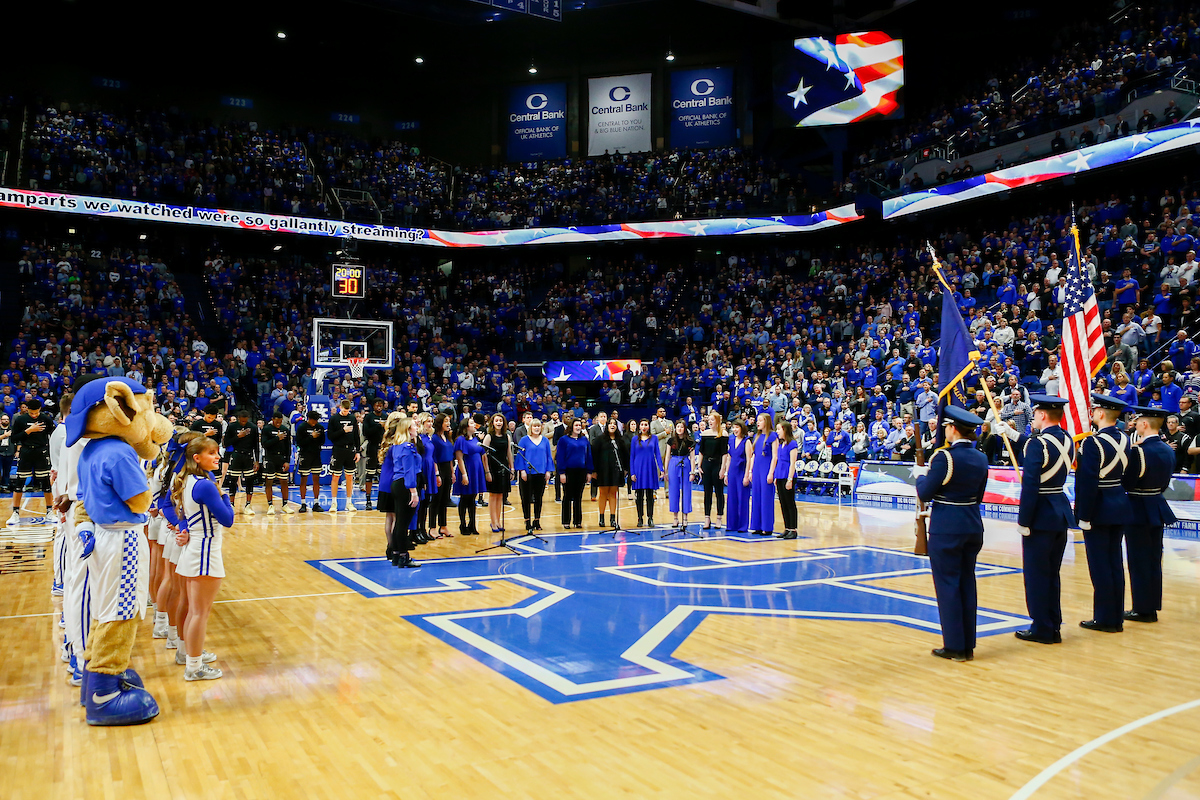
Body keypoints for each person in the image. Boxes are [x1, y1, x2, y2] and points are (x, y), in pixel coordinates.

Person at [914, 406, 990, 662]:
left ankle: (955, 646)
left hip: (947, 526)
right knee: (967, 582)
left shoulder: (945, 458)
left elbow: (925, 493)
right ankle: (967, 643)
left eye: (946, 426)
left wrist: (920, 477)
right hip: (972, 523)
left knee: (948, 585)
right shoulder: (980, 457)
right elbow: (978, 496)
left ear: (953, 428)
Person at [1015, 395, 1075, 645]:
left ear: (1041, 415)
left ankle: (1042, 627)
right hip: (1059, 510)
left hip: (1039, 514)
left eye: (1036, 413)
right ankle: (1053, 624)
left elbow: (1030, 486)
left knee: (1037, 574)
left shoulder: (1037, 444)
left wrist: (1023, 520)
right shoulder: (1067, 440)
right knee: (1052, 573)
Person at [172, 435, 233, 680]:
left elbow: (183, 515)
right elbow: (227, 519)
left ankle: (189, 657)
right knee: (199, 613)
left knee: (194, 611)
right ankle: (194, 668)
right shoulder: (206, 485)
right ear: (197, 458)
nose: (217, 457)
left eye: (217, 452)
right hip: (205, 551)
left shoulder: (188, 479)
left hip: (194, 548)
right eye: (211, 453)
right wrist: (225, 497)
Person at [1073, 394, 1132, 633]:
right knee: (1115, 563)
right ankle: (1115, 615)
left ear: (1100, 414)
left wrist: (1083, 516)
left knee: (1100, 566)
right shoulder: (1126, 439)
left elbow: (1087, 483)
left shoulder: (1092, 443)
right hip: (1119, 503)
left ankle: (1105, 619)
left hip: (1099, 508)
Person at [1122, 406, 1178, 622]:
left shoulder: (1139, 451)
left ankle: (1142, 609)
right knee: (1154, 558)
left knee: (1139, 560)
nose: (1135, 423)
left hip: (1138, 507)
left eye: (1137, 420)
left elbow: (1128, 482)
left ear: (1144, 424)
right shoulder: (1167, 449)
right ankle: (1151, 604)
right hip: (1157, 504)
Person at [9, 397, 55, 525]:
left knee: (45, 482)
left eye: (36, 413)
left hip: (41, 452)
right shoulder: (20, 420)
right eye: (31, 413)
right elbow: (13, 438)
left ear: (40, 410)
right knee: (20, 482)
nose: (34, 415)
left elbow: (54, 436)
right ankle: (15, 512)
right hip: (26, 452)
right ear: (27, 410)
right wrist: (28, 431)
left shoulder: (46, 419)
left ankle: (50, 511)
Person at [387, 417, 424, 568]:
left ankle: (396, 554)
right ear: (408, 429)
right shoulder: (407, 448)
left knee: (400, 521)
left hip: (397, 484)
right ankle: (403, 556)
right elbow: (409, 471)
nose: (417, 428)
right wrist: (414, 492)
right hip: (405, 485)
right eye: (414, 426)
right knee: (403, 523)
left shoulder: (396, 446)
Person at [517, 419, 553, 533]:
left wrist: (548, 471)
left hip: (541, 473)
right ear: (530, 428)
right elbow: (520, 456)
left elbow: (548, 456)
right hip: (527, 473)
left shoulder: (545, 441)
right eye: (534, 426)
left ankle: (537, 520)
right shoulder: (524, 440)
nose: (536, 428)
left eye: (538, 426)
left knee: (539, 498)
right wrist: (522, 470)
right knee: (526, 498)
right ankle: (527, 520)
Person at [375, 413, 404, 560]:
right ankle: (394, 548)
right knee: (397, 518)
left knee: (389, 517)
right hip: (395, 481)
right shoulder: (399, 442)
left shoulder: (386, 439)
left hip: (384, 482)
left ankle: (389, 547)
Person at [556, 418, 594, 529]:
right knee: (567, 496)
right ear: (571, 426)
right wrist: (561, 472)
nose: (578, 427)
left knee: (578, 497)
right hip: (568, 471)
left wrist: (589, 471)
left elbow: (588, 456)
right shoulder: (563, 440)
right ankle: (566, 521)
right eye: (576, 425)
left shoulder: (584, 440)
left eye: (580, 425)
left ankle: (578, 521)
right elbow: (560, 457)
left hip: (581, 471)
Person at [327, 399, 362, 512]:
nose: (346, 412)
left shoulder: (352, 418)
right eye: (345, 410)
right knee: (335, 476)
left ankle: (349, 502)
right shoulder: (334, 419)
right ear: (340, 408)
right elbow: (331, 436)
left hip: (350, 450)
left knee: (349, 477)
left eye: (348, 411)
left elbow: (356, 435)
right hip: (338, 449)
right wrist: (343, 430)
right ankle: (333, 502)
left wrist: (358, 451)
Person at [223, 408, 259, 516]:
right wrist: (238, 437)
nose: (243, 422)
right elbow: (225, 443)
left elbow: (256, 445)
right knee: (233, 480)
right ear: (238, 419)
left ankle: (248, 505)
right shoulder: (232, 426)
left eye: (245, 420)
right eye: (242, 421)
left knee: (249, 481)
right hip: (236, 454)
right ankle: (231, 504)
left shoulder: (253, 427)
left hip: (248, 456)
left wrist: (257, 460)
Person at [453, 417, 486, 536]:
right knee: (465, 498)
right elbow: (459, 458)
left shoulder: (476, 439)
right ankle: (463, 524)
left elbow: (482, 453)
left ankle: (472, 524)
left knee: (472, 499)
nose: (474, 425)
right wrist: (464, 474)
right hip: (467, 470)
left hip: (476, 471)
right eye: (472, 423)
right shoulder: (461, 440)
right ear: (466, 426)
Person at [595, 419, 630, 527]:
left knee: (613, 494)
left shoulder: (620, 440)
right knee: (603, 493)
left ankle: (613, 518)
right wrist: (593, 471)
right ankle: (601, 518)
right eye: (610, 423)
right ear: (607, 426)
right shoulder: (599, 439)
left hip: (616, 470)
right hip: (603, 471)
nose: (612, 425)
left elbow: (625, 456)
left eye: (614, 424)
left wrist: (625, 469)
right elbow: (594, 455)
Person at [482, 413, 512, 534]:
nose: (499, 422)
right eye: (496, 421)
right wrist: (487, 471)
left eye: (501, 420)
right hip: (492, 468)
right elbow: (483, 455)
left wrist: (512, 468)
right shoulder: (489, 436)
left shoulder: (507, 436)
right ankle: (493, 521)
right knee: (493, 496)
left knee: (500, 496)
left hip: (503, 467)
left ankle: (498, 521)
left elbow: (509, 453)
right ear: (492, 423)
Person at [629, 419, 663, 528]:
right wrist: (632, 472)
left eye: (646, 425)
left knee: (650, 495)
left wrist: (661, 469)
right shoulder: (634, 439)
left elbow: (657, 454)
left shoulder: (654, 438)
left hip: (650, 468)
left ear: (649, 426)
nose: (644, 427)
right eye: (642, 424)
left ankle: (650, 518)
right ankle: (640, 518)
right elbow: (632, 457)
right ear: (639, 427)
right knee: (639, 495)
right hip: (638, 469)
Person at [722, 419, 754, 533]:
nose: (735, 430)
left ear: (742, 428)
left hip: (742, 472)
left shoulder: (747, 441)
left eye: (737, 427)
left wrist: (747, 475)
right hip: (732, 472)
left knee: (742, 499)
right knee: (731, 499)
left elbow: (749, 459)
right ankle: (731, 525)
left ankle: (742, 526)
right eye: (733, 428)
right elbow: (729, 457)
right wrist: (726, 473)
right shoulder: (731, 440)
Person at [750, 413, 778, 536]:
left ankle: (767, 526)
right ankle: (757, 525)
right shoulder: (757, 437)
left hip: (766, 469)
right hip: (756, 469)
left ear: (766, 421)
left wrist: (771, 473)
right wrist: (750, 471)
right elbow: (753, 456)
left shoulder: (773, 436)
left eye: (760, 420)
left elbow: (775, 456)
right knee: (756, 496)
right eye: (757, 420)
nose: (758, 422)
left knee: (766, 498)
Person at [260, 411, 294, 515]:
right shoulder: (266, 429)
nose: (279, 424)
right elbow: (265, 444)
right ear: (273, 419)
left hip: (282, 458)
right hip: (270, 457)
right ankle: (270, 505)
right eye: (277, 422)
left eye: (280, 422)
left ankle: (285, 505)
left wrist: (287, 461)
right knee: (269, 482)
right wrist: (277, 438)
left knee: (284, 482)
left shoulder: (285, 429)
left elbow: (288, 447)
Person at [699, 412, 728, 529]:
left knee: (719, 492)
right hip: (706, 463)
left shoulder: (723, 434)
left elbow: (724, 453)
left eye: (712, 420)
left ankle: (719, 517)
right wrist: (699, 466)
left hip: (717, 464)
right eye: (709, 420)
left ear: (717, 421)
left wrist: (723, 469)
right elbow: (701, 451)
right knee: (707, 492)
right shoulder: (705, 434)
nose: (710, 422)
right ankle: (707, 518)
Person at [429, 414, 456, 538]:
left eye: (449, 421)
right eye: (446, 421)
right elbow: (433, 457)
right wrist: (437, 473)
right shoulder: (434, 438)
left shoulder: (447, 437)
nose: (448, 423)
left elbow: (450, 456)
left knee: (445, 498)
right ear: (440, 423)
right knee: (436, 499)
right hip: (438, 468)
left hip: (447, 469)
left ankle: (443, 526)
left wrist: (452, 472)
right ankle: (432, 527)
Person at [665, 420, 696, 529]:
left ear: (684, 428)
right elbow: (667, 456)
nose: (679, 429)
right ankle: (675, 518)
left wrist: (692, 471)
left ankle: (685, 518)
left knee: (686, 491)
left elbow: (692, 458)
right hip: (674, 463)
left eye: (681, 427)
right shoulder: (671, 441)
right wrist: (666, 471)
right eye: (677, 426)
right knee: (673, 491)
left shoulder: (690, 441)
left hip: (685, 464)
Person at [294, 410, 326, 512]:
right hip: (305, 455)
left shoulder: (320, 427)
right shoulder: (302, 427)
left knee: (316, 480)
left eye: (316, 420)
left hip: (316, 455)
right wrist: (311, 437)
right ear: (309, 419)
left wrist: (316, 438)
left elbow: (322, 441)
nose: (314, 422)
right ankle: (303, 503)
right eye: (313, 420)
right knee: (304, 480)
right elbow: (299, 442)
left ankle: (316, 503)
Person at [773, 421, 800, 540]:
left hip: (788, 475)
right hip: (779, 475)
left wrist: (790, 479)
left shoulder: (792, 444)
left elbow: (793, 463)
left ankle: (793, 529)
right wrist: (775, 477)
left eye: (779, 429)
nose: (777, 431)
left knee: (790, 503)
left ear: (785, 430)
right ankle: (787, 528)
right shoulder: (780, 444)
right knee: (783, 502)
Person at [361, 398, 387, 511]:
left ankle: (382, 500)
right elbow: (366, 433)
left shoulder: (386, 416)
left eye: (380, 405)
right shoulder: (369, 417)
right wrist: (379, 426)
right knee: (370, 475)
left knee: (383, 476)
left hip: (383, 448)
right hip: (371, 447)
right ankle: (368, 500)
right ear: (373, 406)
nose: (379, 407)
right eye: (377, 405)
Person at [650, 407, 671, 501]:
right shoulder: (653, 423)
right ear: (657, 413)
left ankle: (667, 491)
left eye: (664, 411)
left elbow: (673, 435)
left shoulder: (670, 422)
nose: (663, 412)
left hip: (669, 450)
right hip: (658, 450)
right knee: (657, 471)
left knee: (668, 471)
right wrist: (664, 433)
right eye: (661, 411)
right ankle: (654, 491)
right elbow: (653, 436)